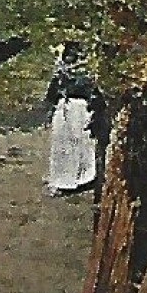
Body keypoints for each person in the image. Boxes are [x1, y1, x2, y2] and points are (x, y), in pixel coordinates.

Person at [45, 41, 102, 193]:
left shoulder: (87, 71)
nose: (69, 58)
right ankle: (62, 180)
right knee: (63, 144)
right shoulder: (60, 70)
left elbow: (92, 90)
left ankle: (84, 177)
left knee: (81, 142)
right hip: (64, 107)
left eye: (73, 55)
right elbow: (52, 91)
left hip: (81, 107)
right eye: (67, 54)